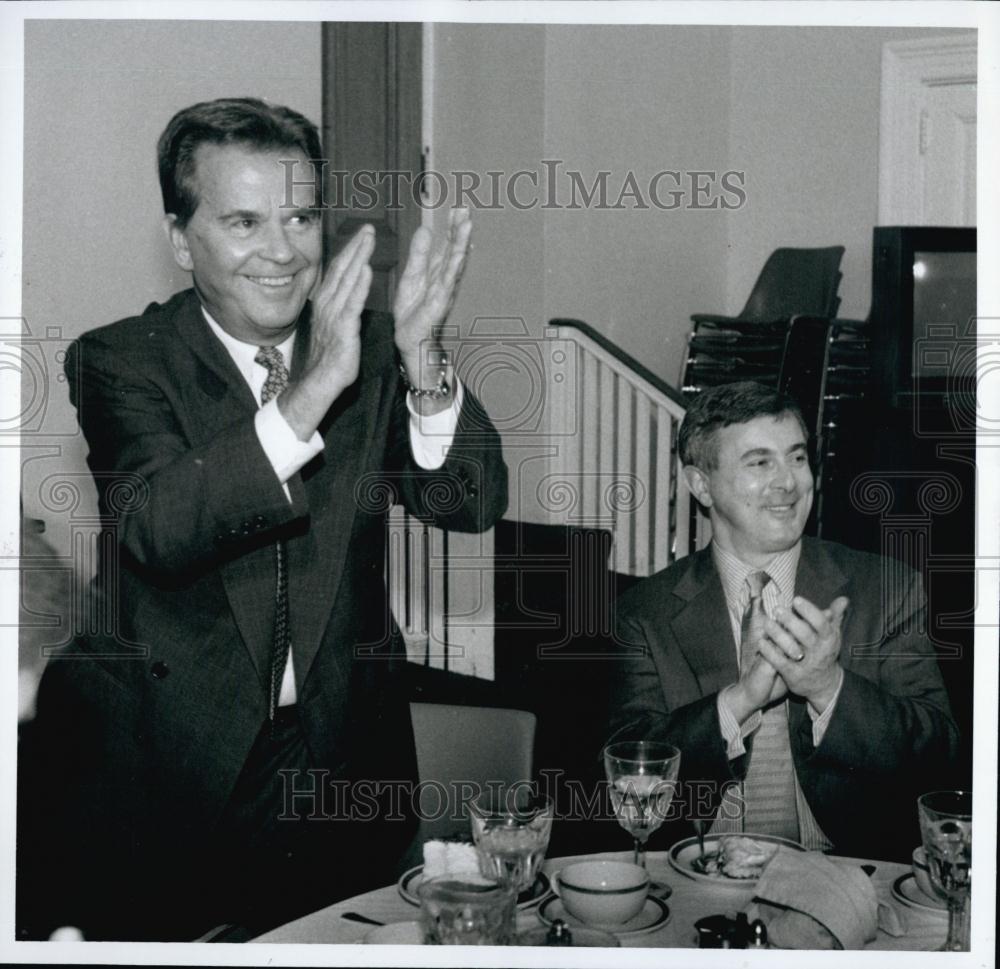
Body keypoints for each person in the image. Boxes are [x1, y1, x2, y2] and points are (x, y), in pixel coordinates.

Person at [18, 97, 507, 941]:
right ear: (181, 240)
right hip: (169, 767)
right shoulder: (121, 359)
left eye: (301, 217)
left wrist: (422, 355)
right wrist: (314, 390)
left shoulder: (374, 344)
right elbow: (158, 527)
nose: (282, 250)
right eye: (244, 222)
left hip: (341, 761)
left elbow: (468, 501)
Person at [605, 381, 958, 861]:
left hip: (841, 870)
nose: (788, 482)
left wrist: (828, 687)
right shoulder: (644, 611)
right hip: (693, 872)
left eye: (796, 457)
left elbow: (940, 758)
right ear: (701, 485)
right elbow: (624, 770)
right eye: (759, 463)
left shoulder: (885, 589)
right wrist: (738, 702)